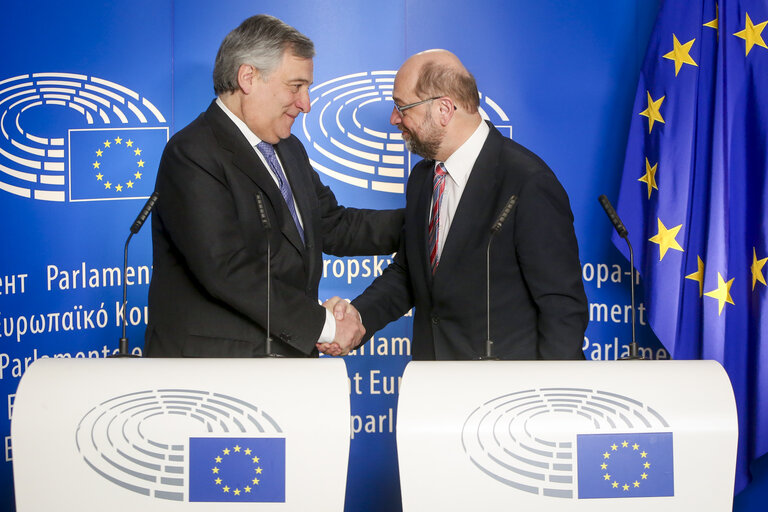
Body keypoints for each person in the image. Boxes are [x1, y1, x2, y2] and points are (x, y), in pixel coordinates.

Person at [144, 15, 403, 358]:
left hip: (285, 369)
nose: (306, 104)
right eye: (296, 86)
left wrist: (428, 221)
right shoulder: (191, 153)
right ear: (248, 77)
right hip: (214, 378)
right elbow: (227, 269)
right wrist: (326, 326)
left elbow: (333, 225)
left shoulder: (288, 148)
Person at [321, 49, 588, 359]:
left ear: (444, 109)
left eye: (401, 107)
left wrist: (547, 400)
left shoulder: (527, 182)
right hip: (434, 387)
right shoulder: (423, 177)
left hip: (507, 395)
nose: (394, 119)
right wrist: (358, 320)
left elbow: (562, 307)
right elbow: (411, 274)